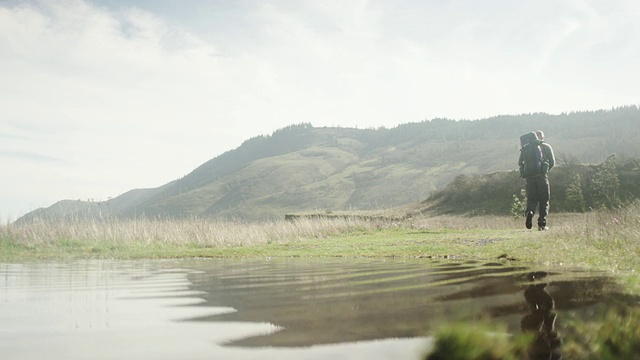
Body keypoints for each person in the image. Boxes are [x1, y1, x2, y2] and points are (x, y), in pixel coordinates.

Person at [519, 130, 555, 230]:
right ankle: (541, 224)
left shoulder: (526, 148)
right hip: (542, 178)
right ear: (541, 138)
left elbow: (520, 162)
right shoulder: (546, 147)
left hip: (529, 179)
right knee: (544, 201)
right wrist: (544, 170)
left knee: (531, 200)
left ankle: (530, 212)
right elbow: (552, 162)